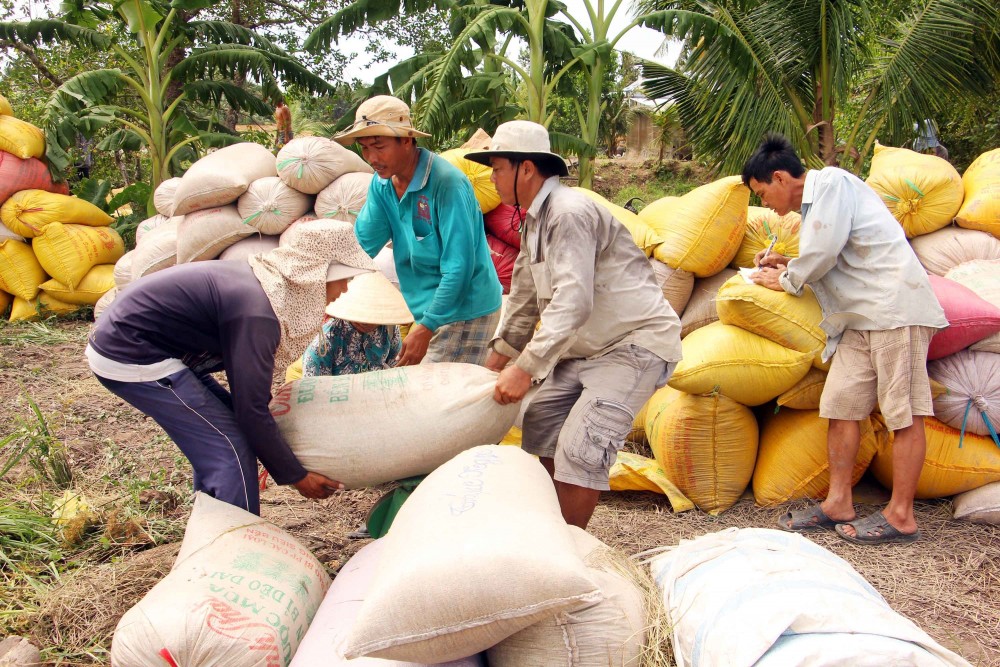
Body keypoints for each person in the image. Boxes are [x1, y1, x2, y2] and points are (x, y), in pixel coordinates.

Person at [465, 121, 683, 529]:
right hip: (585, 349)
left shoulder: (569, 212)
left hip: (633, 345)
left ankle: (567, 546)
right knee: (541, 422)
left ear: (526, 169)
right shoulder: (533, 220)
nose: (491, 178)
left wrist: (525, 368)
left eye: (496, 168)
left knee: (581, 446)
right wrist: (500, 355)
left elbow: (573, 301)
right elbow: (527, 298)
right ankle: (553, 526)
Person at [86, 220, 376, 515]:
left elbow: (250, 405)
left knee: (226, 433)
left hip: (148, 345)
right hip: (131, 352)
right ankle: (236, 541)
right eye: (344, 278)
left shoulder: (264, 288)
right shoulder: (258, 314)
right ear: (315, 276)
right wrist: (296, 476)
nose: (346, 288)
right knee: (228, 446)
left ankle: (212, 524)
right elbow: (251, 410)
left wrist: (280, 452)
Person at [743, 133, 948, 545]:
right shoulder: (819, 203)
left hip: (894, 311)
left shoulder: (833, 183)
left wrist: (783, 278)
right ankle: (839, 501)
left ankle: (901, 516)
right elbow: (829, 251)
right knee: (840, 405)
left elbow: (823, 254)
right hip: (858, 318)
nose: (765, 203)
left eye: (762, 193)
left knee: (903, 412)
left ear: (780, 178)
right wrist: (789, 262)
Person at [334, 95, 502, 366]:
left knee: (433, 398)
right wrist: (332, 287)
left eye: (379, 146)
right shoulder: (382, 185)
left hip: (465, 310)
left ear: (407, 140)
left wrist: (426, 326)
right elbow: (361, 245)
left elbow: (459, 268)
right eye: (364, 148)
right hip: (425, 308)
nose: (372, 158)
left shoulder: (447, 184)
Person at [302, 271, 412, 377]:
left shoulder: (389, 329)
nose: (366, 321)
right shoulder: (325, 342)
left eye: (373, 314)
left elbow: (396, 369)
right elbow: (314, 388)